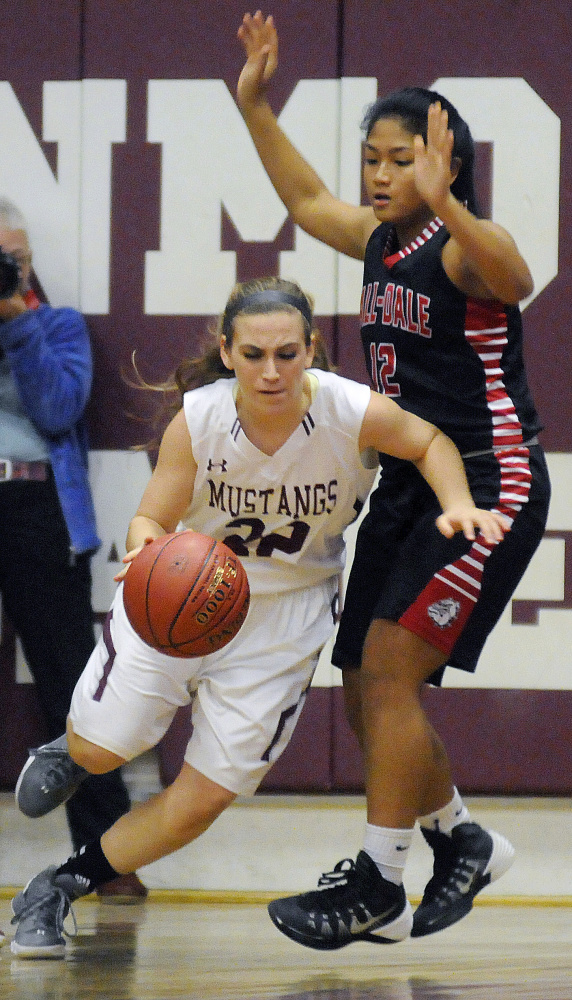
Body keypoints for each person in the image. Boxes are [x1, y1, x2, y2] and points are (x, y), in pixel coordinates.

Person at [9, 276, 507, 958]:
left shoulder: (350, 410)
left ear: (310, 349)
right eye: (252, 354)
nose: (270, 371)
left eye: (285, 353)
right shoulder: (202, 418)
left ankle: (54, 887)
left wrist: (454, 502)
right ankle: (73, 749)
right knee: (102, 750)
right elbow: (153, 515)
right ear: (226, 350)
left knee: (203, 798)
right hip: (186, 589)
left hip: (283, 617)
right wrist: (145, 546)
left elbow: (429, 443)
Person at [234, 13, 551, 948]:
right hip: (413, 482)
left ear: (442, 164)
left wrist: (449, 201)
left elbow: (517, 274)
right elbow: (303, 200)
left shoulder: (459, 245)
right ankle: (460, 837)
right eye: (371, 158)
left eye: (398, 159)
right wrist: (253, 105)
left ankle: (380, 878)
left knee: (394, 675)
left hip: (486, 489)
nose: (377, 175)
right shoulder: (380, 243)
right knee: (369, 681)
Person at [0, 197, 147, 906]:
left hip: (36, 509)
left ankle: (106, 858)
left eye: (16, 258)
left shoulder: (55, 327)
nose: (9, 269)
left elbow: (58, 408)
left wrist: (15, 318)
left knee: (73, 686)